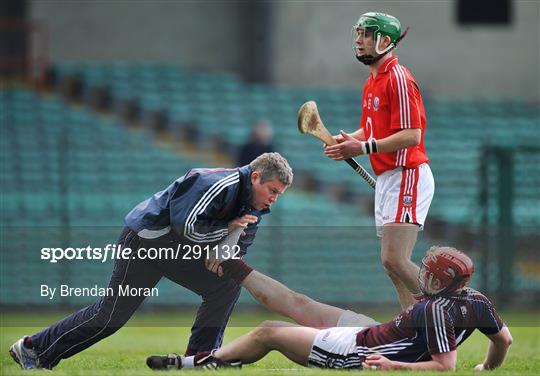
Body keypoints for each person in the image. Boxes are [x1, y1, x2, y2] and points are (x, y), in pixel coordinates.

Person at [9, 152, 293, 370]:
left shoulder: (253, 206)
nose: (274, 199)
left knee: (226, 284)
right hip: (145, 241)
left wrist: (225, 255)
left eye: (278, 195)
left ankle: (198, 360)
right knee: (110, 317)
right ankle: (33, 348)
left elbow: (236, 249)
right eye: (272, 191)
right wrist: (229, 229)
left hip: (175, 249)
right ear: (255, 177)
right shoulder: (215, 183)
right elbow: (188, 227)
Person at [148, 246, 512, 372]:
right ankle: (234, 265)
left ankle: (190, 364)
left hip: (359, 351)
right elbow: (504, 342)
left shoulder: (434, 309)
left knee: (269, 331)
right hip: (369, 332)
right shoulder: (477, 300)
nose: (425, 275)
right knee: (298, 307)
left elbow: (444, 366)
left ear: (444, 281)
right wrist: (485, 367)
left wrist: (391, 366)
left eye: (432, 273)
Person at [323, 12, 435, 309]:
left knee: (394, 258)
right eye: (358, 33)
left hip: (407, 171)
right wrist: (352, 140)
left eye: (367, 34)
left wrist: (362, 148)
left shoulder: (398, 79)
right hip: (389, 177)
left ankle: (450, 311)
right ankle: (414, 333)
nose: (359, 40)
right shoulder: (373, 80)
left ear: (385, 41)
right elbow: (372, 129)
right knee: (392, 266)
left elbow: (412, 135)